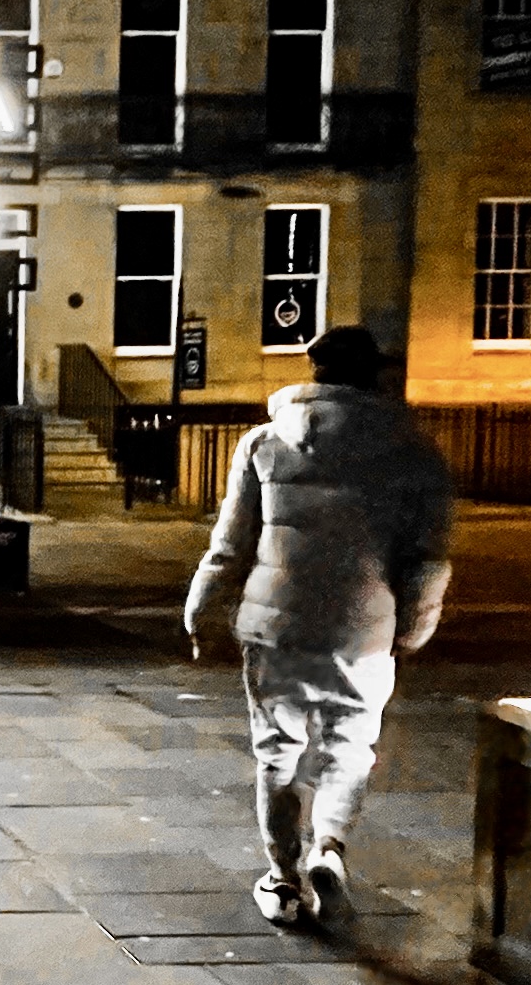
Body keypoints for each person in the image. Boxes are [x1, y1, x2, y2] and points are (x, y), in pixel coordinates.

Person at [184, 326, 453, 927]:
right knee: (349, 749)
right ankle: (329, 847)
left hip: (274, 626)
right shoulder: (415, 452)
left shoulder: (265, 442)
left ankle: (282, 880)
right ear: (374, 375)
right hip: (363, 626)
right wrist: (409, 628)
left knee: (278, 754)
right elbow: (428, 557)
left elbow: (229, 546)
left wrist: (201, 613)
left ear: (315, 369)